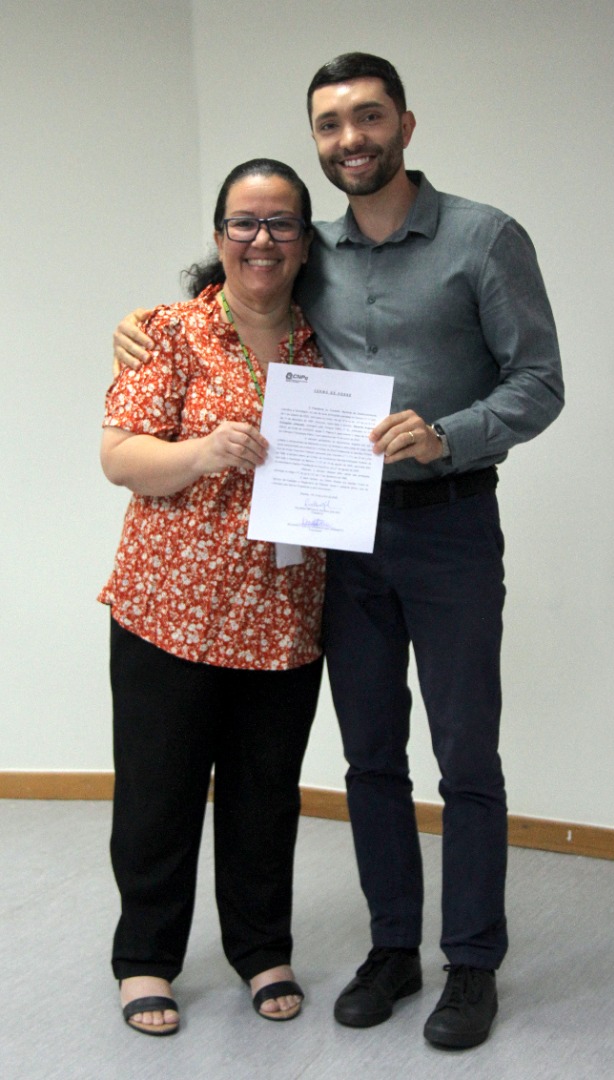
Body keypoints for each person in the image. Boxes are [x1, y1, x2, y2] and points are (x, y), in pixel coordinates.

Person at [113, 53, 564, 1050]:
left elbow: (538, 381)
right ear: (317, 140)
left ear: (405, 123)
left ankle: (471, 963)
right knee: (368, 756)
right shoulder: (309, 245)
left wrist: (447, 433)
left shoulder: (483, 238)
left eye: (367, 117)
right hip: (340, 538)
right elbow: (233, 287)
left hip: (448, 524)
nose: (350, 138)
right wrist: (139, 324)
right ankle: (392, 948)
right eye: (329, 124)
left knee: (465, 756)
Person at [100, 158, 325, 1036]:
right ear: (220, 235)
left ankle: (261, 947)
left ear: (305, 240)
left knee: (266, 796)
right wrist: (202, 453)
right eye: (244, 222)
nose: (261, 240)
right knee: (157, 795)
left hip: (283, 615)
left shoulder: (326, 343)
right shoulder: (167, 332)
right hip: (171, 609)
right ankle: (144, 957)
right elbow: (120, 456)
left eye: (281, 223)